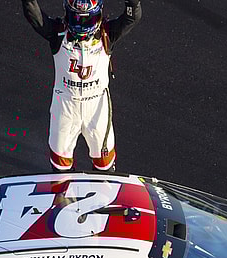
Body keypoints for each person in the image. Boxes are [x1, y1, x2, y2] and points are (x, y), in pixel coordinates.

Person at [21, 0, 142, 172]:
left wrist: (133, 2)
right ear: (67, 14)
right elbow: (34, 15)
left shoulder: (107, 33)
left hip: (97, 108)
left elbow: (132, 18)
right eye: (76, 18)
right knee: (60, 169)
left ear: (98, 15)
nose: (81, 24)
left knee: (105, 167)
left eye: (87, 20)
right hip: (66, 107)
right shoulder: (57, 32)